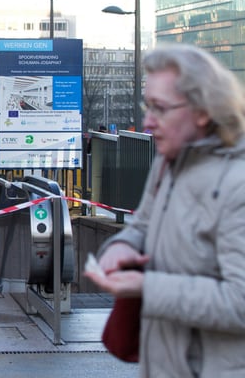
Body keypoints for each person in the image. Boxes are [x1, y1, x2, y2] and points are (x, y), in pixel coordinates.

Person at [85, 44, 245, 377]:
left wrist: (146, 288)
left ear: (202, 111)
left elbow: (239, 302)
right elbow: (141, 225)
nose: (147, 122)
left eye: (160, 108)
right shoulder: (167, 162)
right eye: (148, 106)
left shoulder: (237, 183)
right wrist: (120, 246)